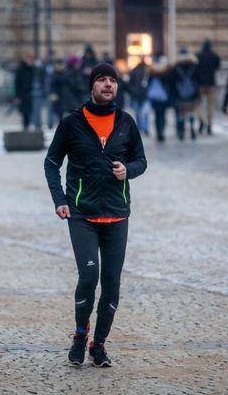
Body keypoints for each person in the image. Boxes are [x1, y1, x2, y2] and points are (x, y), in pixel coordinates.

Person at [44, 63, 147, 367]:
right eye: (102, 79)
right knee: (89, 277)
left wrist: (128, 170)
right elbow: (51, 163)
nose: (108, 84)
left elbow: (141, 161)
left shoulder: (126, 122)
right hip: (82, 215)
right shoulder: (72, 122)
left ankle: (98, 345)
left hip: (117, 214)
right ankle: (80, 334)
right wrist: (60, 199)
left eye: (112, 80)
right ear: (92, 86)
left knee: (112, 284)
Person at [173, 47, 200, 141]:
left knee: (181, 113)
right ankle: (192, 129)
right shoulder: (194, 66)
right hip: (192, 93)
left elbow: (173, 81)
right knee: (191, 112)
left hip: (180, 94)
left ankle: (181, 131)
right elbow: (198, 79)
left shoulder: (176, 67)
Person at [196, 39, 220, 135]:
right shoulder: (214, 56)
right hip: (211, 84)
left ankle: (201, 120)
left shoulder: (198, 56)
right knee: (210, 106)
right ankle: (209, 124)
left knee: (198, 104)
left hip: (200, 84)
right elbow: (217, 66)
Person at [147, 54, 172, 142]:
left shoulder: (152, 71)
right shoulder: (166, 71)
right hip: (163, 96)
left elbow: (148, 83)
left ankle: (158, 132)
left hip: (154, 96)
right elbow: (169, 83)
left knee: (157, 115)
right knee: (163, 115)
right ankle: (161, 132)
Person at [128, 57, 150, 135]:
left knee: (139, 112)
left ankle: (141, 128)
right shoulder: (147, 71)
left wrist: (133, 91)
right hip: (144, 94)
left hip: (138, 94)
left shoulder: (135, 70)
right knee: (144, 113)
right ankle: (144, 128)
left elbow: (130, 83)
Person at [14, 53, 34, 130]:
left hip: (31, 93)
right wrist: (17, 95)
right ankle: (26, 125)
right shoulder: (20, 69)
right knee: (25, 111)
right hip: (23, 93)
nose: (30, 62)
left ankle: (29, 124)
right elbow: (17, 83)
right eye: (29, 60)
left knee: (30, 110)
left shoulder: (33, 69)